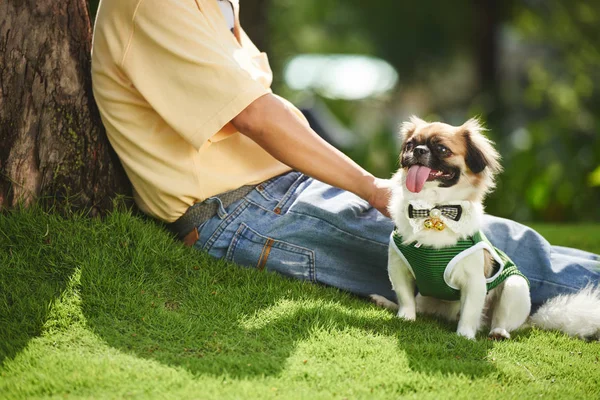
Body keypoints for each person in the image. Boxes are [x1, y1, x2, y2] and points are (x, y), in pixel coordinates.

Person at [91, 0, 599, 309]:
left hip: (275, 191)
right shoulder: (153, 6)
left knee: (468, 232)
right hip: (237, 212)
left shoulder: (215, 6)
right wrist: (374, 189)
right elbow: (256, 115)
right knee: (459, 251)